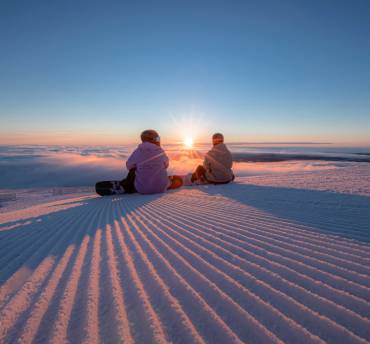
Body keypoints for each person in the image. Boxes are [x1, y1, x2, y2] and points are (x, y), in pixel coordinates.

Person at [120, 129, 170, 194]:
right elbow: (166, 165)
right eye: (157, 138)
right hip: (162, 189)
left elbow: (129, 165)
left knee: (133, 170)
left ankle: (128, 185)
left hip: (142, 189)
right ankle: (164, 182)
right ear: (155, 139)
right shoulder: (160, 151)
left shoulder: (138, 151)